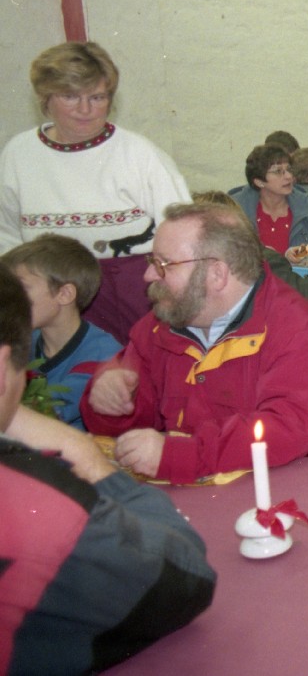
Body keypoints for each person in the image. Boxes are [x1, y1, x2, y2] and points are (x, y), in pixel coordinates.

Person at [0, 265, 216, 674]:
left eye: (164, 262)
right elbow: (186, 576)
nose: (149, 270)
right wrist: (89, 456)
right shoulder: (35, 506)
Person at [79, 202, 308, 481]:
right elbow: (133, 419)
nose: (149, 275)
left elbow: (282, 432)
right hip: (208, 489)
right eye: (152, 262)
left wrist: (178, 455)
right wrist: (110, 401)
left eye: (164, 264)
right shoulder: (159, 326)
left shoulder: (301, 333)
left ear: (217, 273)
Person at [0, 42, 190, 259]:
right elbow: (6, 236)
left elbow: (185, 234)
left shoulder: (141, 154)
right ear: (45, 98)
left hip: (129, 283)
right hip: (46, 283)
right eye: (70, 96)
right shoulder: (18, 153)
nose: (85, 110)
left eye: (96, 97)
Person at [0, 235, 122, 429]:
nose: (10, 298)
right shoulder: (26, 339)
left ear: (64, 294)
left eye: (20, 288)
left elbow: (43, 415)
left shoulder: (104, 355)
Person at [231, 144, 308, 254]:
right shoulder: (235, 210)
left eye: (289, 169)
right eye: (278, 171)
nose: (289, 176)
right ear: (259, 182)